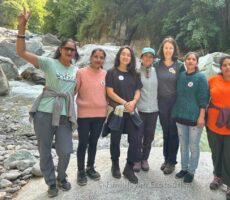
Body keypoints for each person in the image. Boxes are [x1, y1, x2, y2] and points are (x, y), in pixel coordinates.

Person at [16, 8, 79, 198]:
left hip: (65, 114)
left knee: (66, 151)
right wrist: (21, 27)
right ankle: (51, 183)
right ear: (60, 49)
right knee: (44, 151)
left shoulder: (77, 70)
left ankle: (61, 176)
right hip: (44, 112)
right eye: (67, 48)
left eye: (73, 50)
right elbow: (21, 52)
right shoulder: (48, 63)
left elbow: (80, 89)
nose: (70, 51)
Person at [206, 56, 230, 200]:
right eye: (224, 65)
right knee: (216, 153)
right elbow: (203, 97)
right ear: (220, 67)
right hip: (214, 123)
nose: (227, 67)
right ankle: (217, 176)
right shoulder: (212, 80)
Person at [105, 46, 143, 184]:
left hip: (132, 111)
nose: (126, 57)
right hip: (117, 111)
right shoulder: (111, 72)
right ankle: (115, 164)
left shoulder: (135, 74)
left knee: (137, 139)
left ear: (131, 58)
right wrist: (125, 103)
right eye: (123, 54)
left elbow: (138, 91)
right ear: (119, 56)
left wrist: (133, 102)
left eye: (129, 55)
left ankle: (129, 167)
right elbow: (110, 92)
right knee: (115, 139)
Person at [171, 52, 209, 183]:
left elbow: (204, 99)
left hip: (195, 117)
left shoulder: (201, 77)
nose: (191, 61)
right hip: (180, 115)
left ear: (197, 62)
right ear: (185, 61)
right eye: (188, 59)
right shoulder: (180, 76)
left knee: (193, 146)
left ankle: (191, 171)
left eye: (194, 59)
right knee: (183, 145)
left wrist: (201, 117)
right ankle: (184, 168)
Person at [75, 49, 107, 186]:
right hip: (84, 115)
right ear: (91, 57)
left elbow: (110, 93)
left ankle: (90, 167)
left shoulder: (106, 74)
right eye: (96, 57)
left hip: (100, 115)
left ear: (104, 60)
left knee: (93, 142)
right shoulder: (81, 72)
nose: (98, 59)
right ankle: (80, 171)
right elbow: (73, 91)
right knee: (83, 143)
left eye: (101, 57)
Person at [154, 36, 185, 175]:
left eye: (170, 48)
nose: (168, 50)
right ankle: (166, 159)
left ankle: (172, 162)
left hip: (175, 102)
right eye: (166, 48)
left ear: (174, 50)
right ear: (162, 49)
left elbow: (185, 83)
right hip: (161, 102)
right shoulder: (157, 64)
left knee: (173, 132)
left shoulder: (179, 65)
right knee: (165, 131)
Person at [133, 47, 158, 172]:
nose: (148, 58)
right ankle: (137, 159)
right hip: (140, 110)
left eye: (150, 56)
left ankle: (145, 159)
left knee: (149, 136)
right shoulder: (136, 72)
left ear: (153, 59)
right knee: (138, 136)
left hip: (154, 110)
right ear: (141, 57)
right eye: (145, 56)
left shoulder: (157, 71)